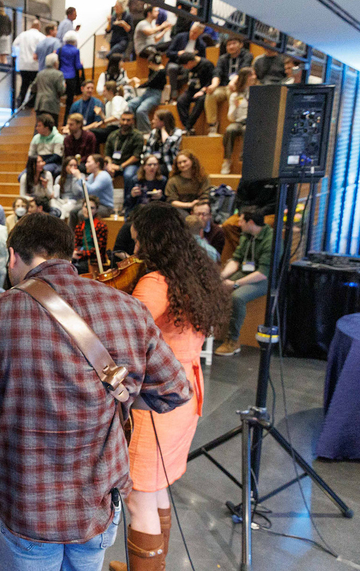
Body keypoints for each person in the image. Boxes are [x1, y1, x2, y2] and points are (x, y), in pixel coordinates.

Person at [0, 212, 192, 571]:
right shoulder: (128, 308)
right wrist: (117, 394)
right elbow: (175, 391)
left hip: (25, 507)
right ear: (68, 254)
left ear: (12, 256)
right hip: (95, 505)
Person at [107, 202, 228, 570]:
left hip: (154, 401)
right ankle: (152, 566)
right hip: (185, 392)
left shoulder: (155, 283)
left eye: (139, 238)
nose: (136, 244)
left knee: (139, 498)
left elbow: (128, 335)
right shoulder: (194, 273)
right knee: (157, 486)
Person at [215, 206, 273, 356]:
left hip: (264, 278)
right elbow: (236, 260)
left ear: (251, 222)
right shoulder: (246, 235)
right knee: (216, 287)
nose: (238, 224)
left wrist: (235, 283)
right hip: (246, 272)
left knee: (238, 297)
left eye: (241, 221)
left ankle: (232, 341)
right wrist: (221, 277)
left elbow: (262, 273)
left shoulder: (270, 239)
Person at [204, 36, 254, 136]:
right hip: (224, 86)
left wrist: (234, 82)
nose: (231, 47)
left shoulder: (247, 55)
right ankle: (212, 126)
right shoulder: (223, 58)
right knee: (211, 95)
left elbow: (242, 71)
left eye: (234, 43)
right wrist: (213, 85)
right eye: (228, 45)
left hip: (239, 86)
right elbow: (217, 73)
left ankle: (234, 123)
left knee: (234, 95)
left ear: (241, 44)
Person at [220, 178, 277, 259]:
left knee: (263, 225)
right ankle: (237, 257)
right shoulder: (248, 175)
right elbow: (240, 200)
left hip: (268, 213)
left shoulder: (275, 176)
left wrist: (256, 214)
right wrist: (246, 212)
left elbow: (275, 203)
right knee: (228, 224)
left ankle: (255, 255)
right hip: (247, 211)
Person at [221, 67, 256, 174]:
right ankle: (227, 160)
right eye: (251, 75)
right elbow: (230, 117)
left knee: (247, 130)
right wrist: (235, 107)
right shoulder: (236, 95)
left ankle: (244, 159)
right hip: (239, 122)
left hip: (251, 122)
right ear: (245, 77)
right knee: (230, 130)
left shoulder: (257, 93)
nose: (254, 77)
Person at [126, 47, 167, 132]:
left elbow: (150, 82)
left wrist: (139, 86)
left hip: (155, 94)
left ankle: (145, 132)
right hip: (147, 93)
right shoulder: (153, 71)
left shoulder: (161, 71)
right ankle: (131, 129)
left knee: (141, 110)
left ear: (152, 63)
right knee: (130, 105)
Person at [176, 51, 215, 134]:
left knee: (201, 100)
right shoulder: (189, 67)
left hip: (205, 90)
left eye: (185, 65)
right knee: (180, 101)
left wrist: (202, 91)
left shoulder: (207, 65)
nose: (185, 68)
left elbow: (211, 81)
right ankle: (187, 127)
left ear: (190, 62)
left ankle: (189, 126)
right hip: (192, 90)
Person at [105, 110, 144, 195]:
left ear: (133, 121)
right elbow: (107, 154)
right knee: (102, 173)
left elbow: (136, 156)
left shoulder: (137, 135)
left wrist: (120, 167)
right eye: (123, 119)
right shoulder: (113, 135)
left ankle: (127, 203)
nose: (125, 122)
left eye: (128, 120)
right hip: (114, 163)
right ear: (120, 120)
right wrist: (110, 165)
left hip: (130, 164)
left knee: (128, 175)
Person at [165, 22, 207, 102]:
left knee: (188, 72)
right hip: (176, 62)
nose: (192, 34)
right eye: (191, 31)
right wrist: (178, 53)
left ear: (200, 33)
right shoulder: (180, 37)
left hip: (189, 66)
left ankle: (179, 89)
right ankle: (174, 92)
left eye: (195, 33)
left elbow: (202, 60)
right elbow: (168, 53)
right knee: (172, 68)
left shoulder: (201, 45)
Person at [12, 18, 44, 107]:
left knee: (24, 85)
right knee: (34, 86)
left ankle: (20, 102)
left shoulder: (22, 35)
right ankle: (30, 104)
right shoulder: (40, 36)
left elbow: (14, 45)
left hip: (23, 64)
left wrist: (15, 56)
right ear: (39, 27)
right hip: (35, 65)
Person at [144, 108, 184, 176]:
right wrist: (149, 163)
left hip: (169, 164)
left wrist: (163, 130)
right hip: (154, 163)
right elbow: (147, 149)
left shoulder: (177, 132)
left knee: (161, 171)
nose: (152, 121)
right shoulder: (153, 132)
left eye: (155, 119)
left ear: (163, 122)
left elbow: (168, 144)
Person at [73, 196, 109, 273]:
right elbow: (76, 244)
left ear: (96, 210)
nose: (88, 210)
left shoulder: (101, 226)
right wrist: (75, 252)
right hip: (81, 258)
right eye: (86, 207)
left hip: (93, 261)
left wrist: (82, 253)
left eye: (92, 208)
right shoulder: (79, 226)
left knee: (77, 268)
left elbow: (99, 250)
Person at [32, 53, 66, 127]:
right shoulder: (58, 74)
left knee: (39, 126)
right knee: (52, 127)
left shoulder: (40, 73)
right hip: (52, 104)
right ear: (55, 63)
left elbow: (33, 87)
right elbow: (61, 90)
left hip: (39, 104)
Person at [58, 31, 84, 123]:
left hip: (61, 76)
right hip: (71, 76)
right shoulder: (75, 50)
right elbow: (77, 66)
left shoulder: (60, 50)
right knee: (69, 101)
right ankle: (66, 121)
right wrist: (81, 64)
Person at [52, 155, 85, 220]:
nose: (73, 167)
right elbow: (57, 195)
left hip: (74, 201)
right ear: (65, 166)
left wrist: (74, 177)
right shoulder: (59, 178)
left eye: (75, 165)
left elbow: (77, 192)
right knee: (53, 202)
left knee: (64, 208)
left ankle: (60, 223)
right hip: (62, 201)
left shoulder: (80, 177)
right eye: (70, 165)